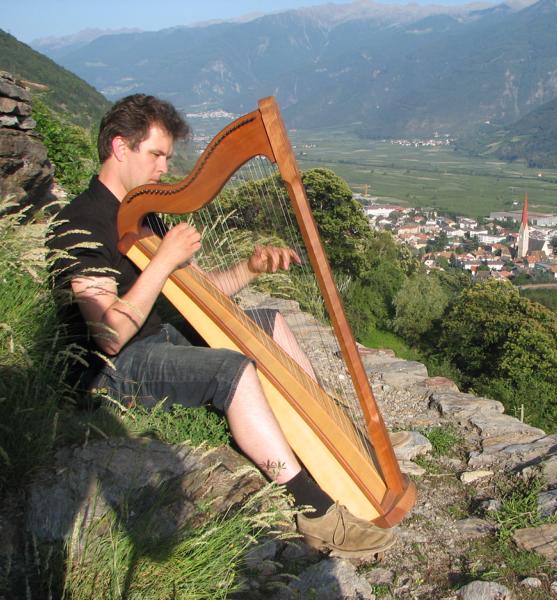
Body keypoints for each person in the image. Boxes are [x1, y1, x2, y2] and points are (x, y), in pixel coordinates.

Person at [46, 93, 394, 558]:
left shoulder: (142, 215)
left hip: (157, 339)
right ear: (119, 147)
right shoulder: (81, 223)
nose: (164, 168)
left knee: (269, 322)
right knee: (232, 368)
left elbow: (200, 293)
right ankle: (314, 511)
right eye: (156, 155)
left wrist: (249, 268)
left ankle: (328, 429)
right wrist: (163, 260)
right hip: (110, 371)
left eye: (167, 157)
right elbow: (109, 336)